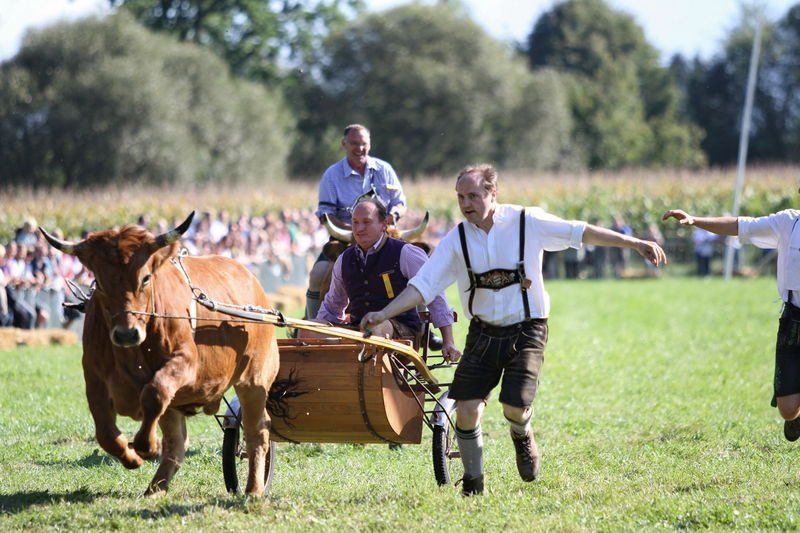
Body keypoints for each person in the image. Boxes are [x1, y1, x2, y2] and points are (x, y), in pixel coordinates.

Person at [360, 164, 667, 496]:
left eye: (473, 196)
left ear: (493, 193)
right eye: (460, 197)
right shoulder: (457, 239)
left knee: (514, 408)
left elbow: (580, 231)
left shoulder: (526, 221)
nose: (465, 204)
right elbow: (423, 286)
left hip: (528, 328)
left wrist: (635, 243)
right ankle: (473, 483)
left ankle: (521, 434)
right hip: (482, 331)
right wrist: (383, 313)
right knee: (466, 409)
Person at [662, 207, 800, 442]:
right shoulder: (789, 222)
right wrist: (695, 220)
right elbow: (741, 225)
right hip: (793, 321)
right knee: (788, 410)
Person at [300, 197, 460, 362]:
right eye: (355, 222)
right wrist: (316, 328)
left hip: (403, 334)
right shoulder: (344, 259)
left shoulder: (406, 253)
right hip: (358, 332)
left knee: (374, 327)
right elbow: (332, 307)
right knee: (305, 330)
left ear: (384, 224)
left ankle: (369, 373)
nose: (359, 228)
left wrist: (448, 341)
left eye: (366, 222)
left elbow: (435, 294)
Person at [305, 124, 407, 321]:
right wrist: (355, 229)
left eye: (363, 144)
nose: (359, 148)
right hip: (346, 238)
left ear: (370, 144)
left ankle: (421, 325)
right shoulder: (332, 175)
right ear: (344, 144)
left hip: (386, 237)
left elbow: (400, 203)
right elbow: (326, 214)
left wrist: (393, 215)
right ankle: (312, 324)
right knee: (317, 274)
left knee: (416, 270)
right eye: (354, 143)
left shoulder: (384, 169)